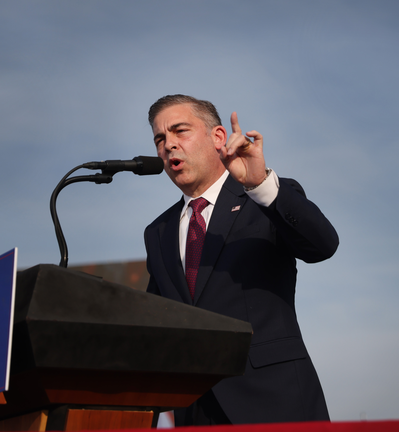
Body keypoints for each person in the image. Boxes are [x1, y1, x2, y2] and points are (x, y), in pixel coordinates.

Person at [144, 95, 339, 425]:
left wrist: (260, 185)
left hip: (274, 403)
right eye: (160, 139)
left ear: (218, 137)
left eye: (180, 131)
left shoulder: (263, 198)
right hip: (195, 409)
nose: (169, 145)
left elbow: (322, 245)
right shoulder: (158, 231)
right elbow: (154, 318)